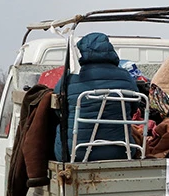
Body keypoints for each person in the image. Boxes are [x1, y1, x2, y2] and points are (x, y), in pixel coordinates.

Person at [54, 32, 140, 162]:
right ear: (110, 50)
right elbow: (134, 107)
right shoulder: (126, 77)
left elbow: (58, 111)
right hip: (122, 151)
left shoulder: (69, 78)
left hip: (75, 154)